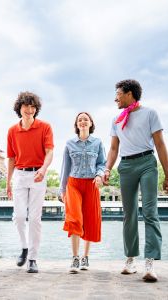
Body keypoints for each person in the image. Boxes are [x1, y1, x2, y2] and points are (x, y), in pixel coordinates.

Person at [103, 79, 168, 282]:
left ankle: (150, 262)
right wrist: (107, 169)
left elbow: (160, 145)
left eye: (118, 93)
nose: (115, 98)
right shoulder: (116, 119)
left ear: (129, 93)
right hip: (125, 167)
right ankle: (131, 259)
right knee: (129, 214)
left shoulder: (150, 113)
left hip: (147, 163)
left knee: (150, 212)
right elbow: (114, 148)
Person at [6, 91, 54, 273]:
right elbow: (11, 159)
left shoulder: (45, 127)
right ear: (19, 108)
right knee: (18, 217)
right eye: (26, 106)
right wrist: (9, 181)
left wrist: (43, 169)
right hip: (19, 174)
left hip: (38, 175)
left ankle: (33, 258)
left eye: (33, 106)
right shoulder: (12, 131)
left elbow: (49, 152)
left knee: (34, 219)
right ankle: (24, 247)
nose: (29, 109)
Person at [59, 112, 106, 273]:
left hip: (91, 184)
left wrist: (100, 175)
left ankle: (85, 257)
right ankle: (75, 258)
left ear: (91, 123)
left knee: (89, 221)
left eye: (86, 119)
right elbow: (65, 168)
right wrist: (62, 190)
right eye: (80, 120)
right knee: (74, 219)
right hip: (73, 184)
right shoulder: (69, 143)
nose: (83, 121)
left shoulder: (98, 143)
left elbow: (102, 163)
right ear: (77, 125)